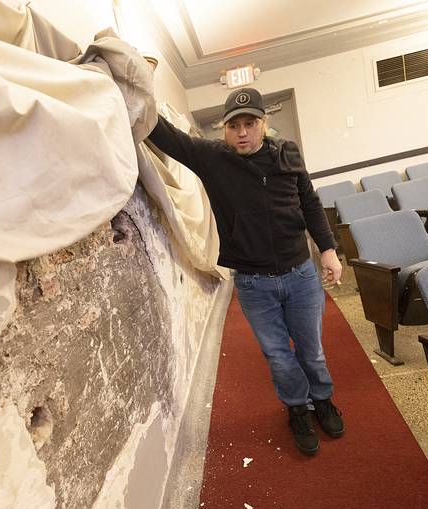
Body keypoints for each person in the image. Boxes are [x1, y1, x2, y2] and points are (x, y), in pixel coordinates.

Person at [147, 87, 344, 455]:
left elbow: (311, 203)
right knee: (278, 356)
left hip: (301, 274)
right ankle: (298, 409)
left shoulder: (288, 154)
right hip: (254, 284)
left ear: (263, 124)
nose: (242, 132)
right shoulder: (213, 158)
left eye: (249, 123)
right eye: (233, 125)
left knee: (311, 350)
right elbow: (164, 135)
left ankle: (323, 399)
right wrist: (132, 86)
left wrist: (329, 251)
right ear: (224, 130)